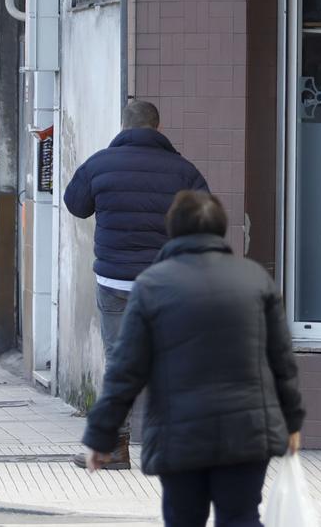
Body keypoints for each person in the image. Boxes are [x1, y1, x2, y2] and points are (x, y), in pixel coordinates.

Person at [82, 191, 306, 527]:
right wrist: (293, 422)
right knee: (241, 516)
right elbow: (282, 361)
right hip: (245, 434)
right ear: (220, 229)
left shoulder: (151, 286)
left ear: (173, 230)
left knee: (184, 520)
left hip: (179, 435)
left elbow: (125, 370)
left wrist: (102, 436)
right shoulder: (255, 279)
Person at [64, 100, 209, 470]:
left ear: (124, 127)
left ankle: (114, 449)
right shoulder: (183, 171)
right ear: (157, 128)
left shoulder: (99, 164)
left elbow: (76, 205)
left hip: (114, 282)